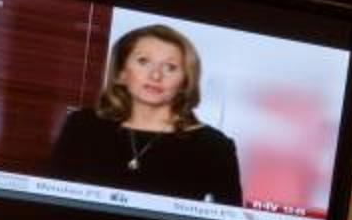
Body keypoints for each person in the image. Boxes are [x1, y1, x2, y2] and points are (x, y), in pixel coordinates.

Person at [50, 22, 244, 205]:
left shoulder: (214, 147)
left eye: (170, 67)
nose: (156, 75)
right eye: (143, 61)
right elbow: (50, 200)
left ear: (185, 82)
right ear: (121, 73)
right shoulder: (83, 126)